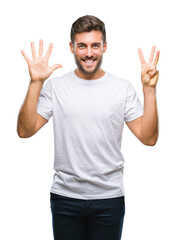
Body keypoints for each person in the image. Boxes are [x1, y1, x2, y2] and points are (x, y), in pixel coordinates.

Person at [17, 15, 160, 240]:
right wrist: (36, 83)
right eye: (82, 46)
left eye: (95, 45)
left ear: (104, 47)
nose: (89, 53)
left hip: (109, 198)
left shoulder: (121, 88)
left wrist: (149, 90)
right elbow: (25, 130)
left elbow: (148, 137)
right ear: (72, 47)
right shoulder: (56, 87)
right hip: (65, 197)